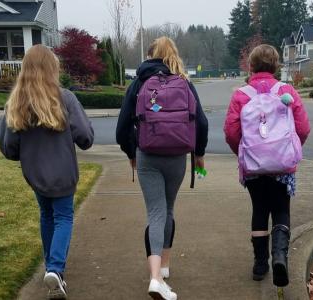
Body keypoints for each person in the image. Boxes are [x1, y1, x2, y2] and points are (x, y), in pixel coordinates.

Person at [116, 37, 208, 300]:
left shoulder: (139, 83)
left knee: (155, 213)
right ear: (174, 55)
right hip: (177, 156)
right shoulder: (185, 82)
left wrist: (131, 153)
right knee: (167, 209)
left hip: (147, 155)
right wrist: (198, 154)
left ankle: (155, 276)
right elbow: (201, 122)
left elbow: (122, 127)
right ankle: (163, 268)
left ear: (150, 55)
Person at [0, 45, 94, 299]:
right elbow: (85, 136)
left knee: (47, 215)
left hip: (36, 175)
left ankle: (54, 269)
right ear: (52, 68)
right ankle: (54, 268)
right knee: (63, 217)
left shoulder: (16, 103)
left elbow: (9, 147)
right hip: (63, 173)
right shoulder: (65, 98)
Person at [224, 44, 310, 287]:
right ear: (276, 66)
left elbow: (231, 132)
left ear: (251, 66)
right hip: (282, 166)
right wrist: (290, 149)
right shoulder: (287, 90)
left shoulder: (241, 94)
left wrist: (243, 152)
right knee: (282, 209)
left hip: (253, 165)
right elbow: (303, 128)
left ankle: (260, 264)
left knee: (259, 210)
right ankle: (280, 256)